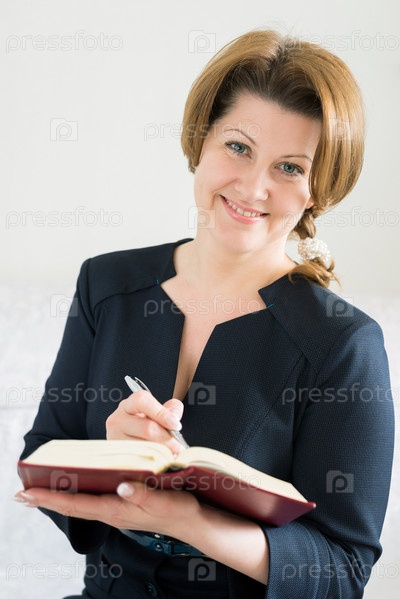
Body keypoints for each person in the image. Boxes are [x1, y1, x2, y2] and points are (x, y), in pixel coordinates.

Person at [15, 29, 394, 599]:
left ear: (319, 190)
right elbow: (42, 459)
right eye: (238, 147)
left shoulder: (343, 344)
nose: (254, 187)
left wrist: (190, 522)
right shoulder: (107, 283)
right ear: (201, 142)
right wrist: (110, 463)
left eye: (290, 168)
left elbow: (343, 570)